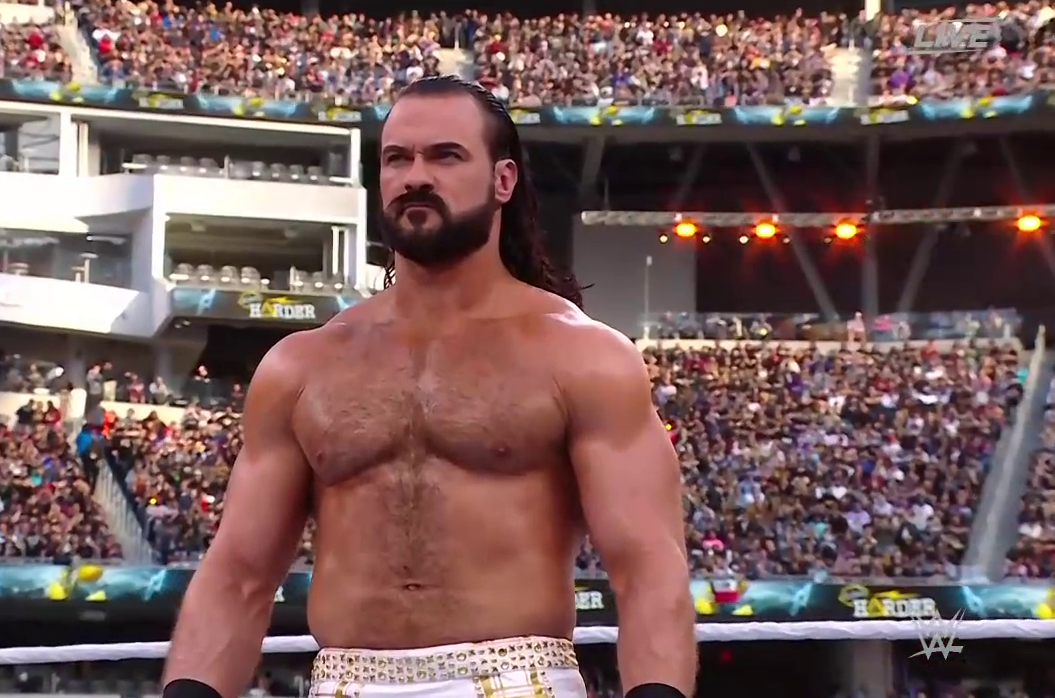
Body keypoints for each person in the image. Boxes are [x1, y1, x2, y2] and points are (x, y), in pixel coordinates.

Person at [162, 74, 695, 698]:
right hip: (347, 682)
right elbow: (238, 575)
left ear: (502, 180)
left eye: (446, 156)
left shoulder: (583, 356)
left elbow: (648, 569)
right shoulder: (301, 366)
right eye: (398, 159)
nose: (416, 176)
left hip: (515, 680)